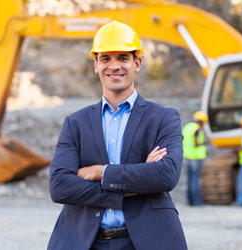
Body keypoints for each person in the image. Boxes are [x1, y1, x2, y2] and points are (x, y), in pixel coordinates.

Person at [48, 21, 187, 250]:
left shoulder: (163, 118)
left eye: (123, 58)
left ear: (137, 63)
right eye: (105, 59)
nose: (114, 66)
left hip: (146, 241)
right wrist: (137, 179)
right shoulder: (75, 123)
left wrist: (98, 172)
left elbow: (166, 175)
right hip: (85, 241)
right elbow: (60, 186)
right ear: (96, 64)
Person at [182, 111, 208, 206]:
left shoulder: (187, 127)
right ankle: (197, 202)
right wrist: (204, 143)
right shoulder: (197, 129)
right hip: (196, 157)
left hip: (188, 155)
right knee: (195, 180)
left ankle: (190, 202)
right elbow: (196, 143)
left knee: (189, 179)